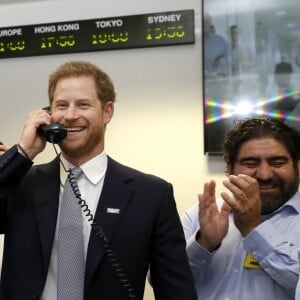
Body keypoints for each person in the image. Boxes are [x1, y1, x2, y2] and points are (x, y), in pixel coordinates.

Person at [0, 61, 197, 300]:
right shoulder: (22, 183)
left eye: (83, 104)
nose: (71, 116)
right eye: (62, 105)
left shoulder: (152, 195)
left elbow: (176, 290)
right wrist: (23, 153)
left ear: (107, 112)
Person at [182, 117, 300, 300]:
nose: (264, 174)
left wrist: (254, 228)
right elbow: (163, 282)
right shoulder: (200, 215)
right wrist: (203, 244)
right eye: (250, 164)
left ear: (296, 166)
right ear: (230, 168)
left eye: (277, 162)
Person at [203, 12, 228, 78]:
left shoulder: (220, 41)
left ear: (210, 23)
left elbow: (228, 62)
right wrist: (207, 75)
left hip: (219, 83)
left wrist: (221, 61)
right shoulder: (190, 44)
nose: (205, 24)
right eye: (202, 21)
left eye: (207, 22)